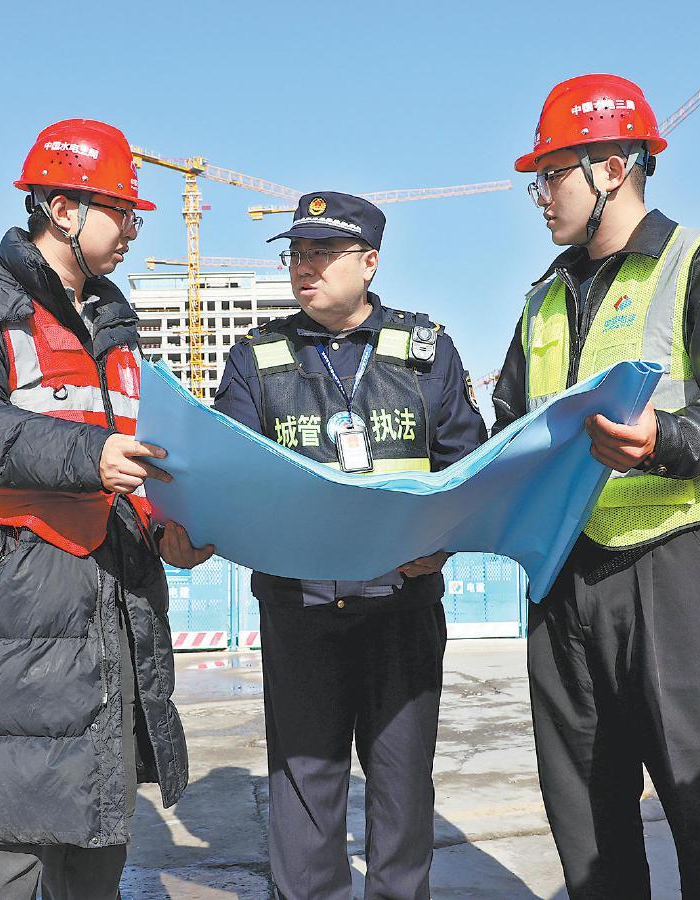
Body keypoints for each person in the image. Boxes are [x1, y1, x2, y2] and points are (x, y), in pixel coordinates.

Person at [493, 75, 700, 898]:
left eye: (551, 175)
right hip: (561, 576)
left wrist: (666, 439)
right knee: (585, 815)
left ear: (613, 168)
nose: (541, 196)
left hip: (671, 565)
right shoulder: (542, 300)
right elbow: (507, 425)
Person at [0, 118, 211, 899]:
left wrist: (166, 531)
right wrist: (89, 456)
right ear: (64, 210)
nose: (133, 231)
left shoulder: (115, 325)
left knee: (95, 850)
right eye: (123, 212)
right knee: (5, 852)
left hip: (111, 612)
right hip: (15, 611)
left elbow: (132, 466)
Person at [214, 191, 488, 899]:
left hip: (402, 603)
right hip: (299, 607)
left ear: (369, 263)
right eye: (296, 253)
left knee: (402, 785)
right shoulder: (257, 359)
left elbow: (469, 465)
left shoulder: (425, 351)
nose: (304, 266)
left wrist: (443, 545)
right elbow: (228, 473)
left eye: (323, 253)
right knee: (304, 785)